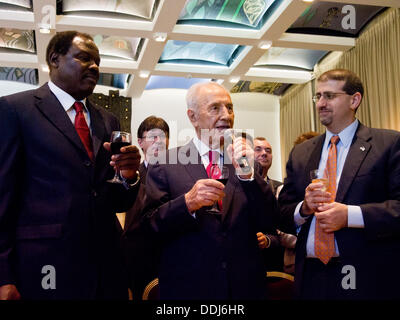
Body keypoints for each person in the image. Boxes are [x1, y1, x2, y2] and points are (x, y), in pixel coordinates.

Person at [0, 31, 141, 300]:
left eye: (98, 61)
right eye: (84, 58)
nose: (95, 67)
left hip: (105, 265)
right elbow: (3, 196)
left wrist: (128, 176)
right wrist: (3, 274)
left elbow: (116, 202)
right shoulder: (15, 110)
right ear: (55, 59)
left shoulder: (108, 120)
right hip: (45, 265)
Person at [142, 82, 278, 299]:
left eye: (230, 108)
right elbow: (149, 226)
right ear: (193, 117)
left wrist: (249, 177)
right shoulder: (165, 163)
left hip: (245, 288)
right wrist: (187, 204)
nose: (226, 115)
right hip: (189, 288)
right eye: (215, 108)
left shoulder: (248, 163)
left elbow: (269, 221)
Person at [279, 69, 400, 299]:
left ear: (354, 100)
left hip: (365, 275)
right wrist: (304, 208)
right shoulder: (302, 152)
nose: (321, 104)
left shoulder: (388, 144)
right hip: (311, 276)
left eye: (330, 96)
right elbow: (282, 211)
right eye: (318, 97)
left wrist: (350, 216)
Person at [122, 115, 169, 300]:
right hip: (137, 258)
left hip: (169, 257)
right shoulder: (131, 176)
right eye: (153, 137)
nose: (159, 142)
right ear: (140, 142)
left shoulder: (178, 176)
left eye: (163, 137)